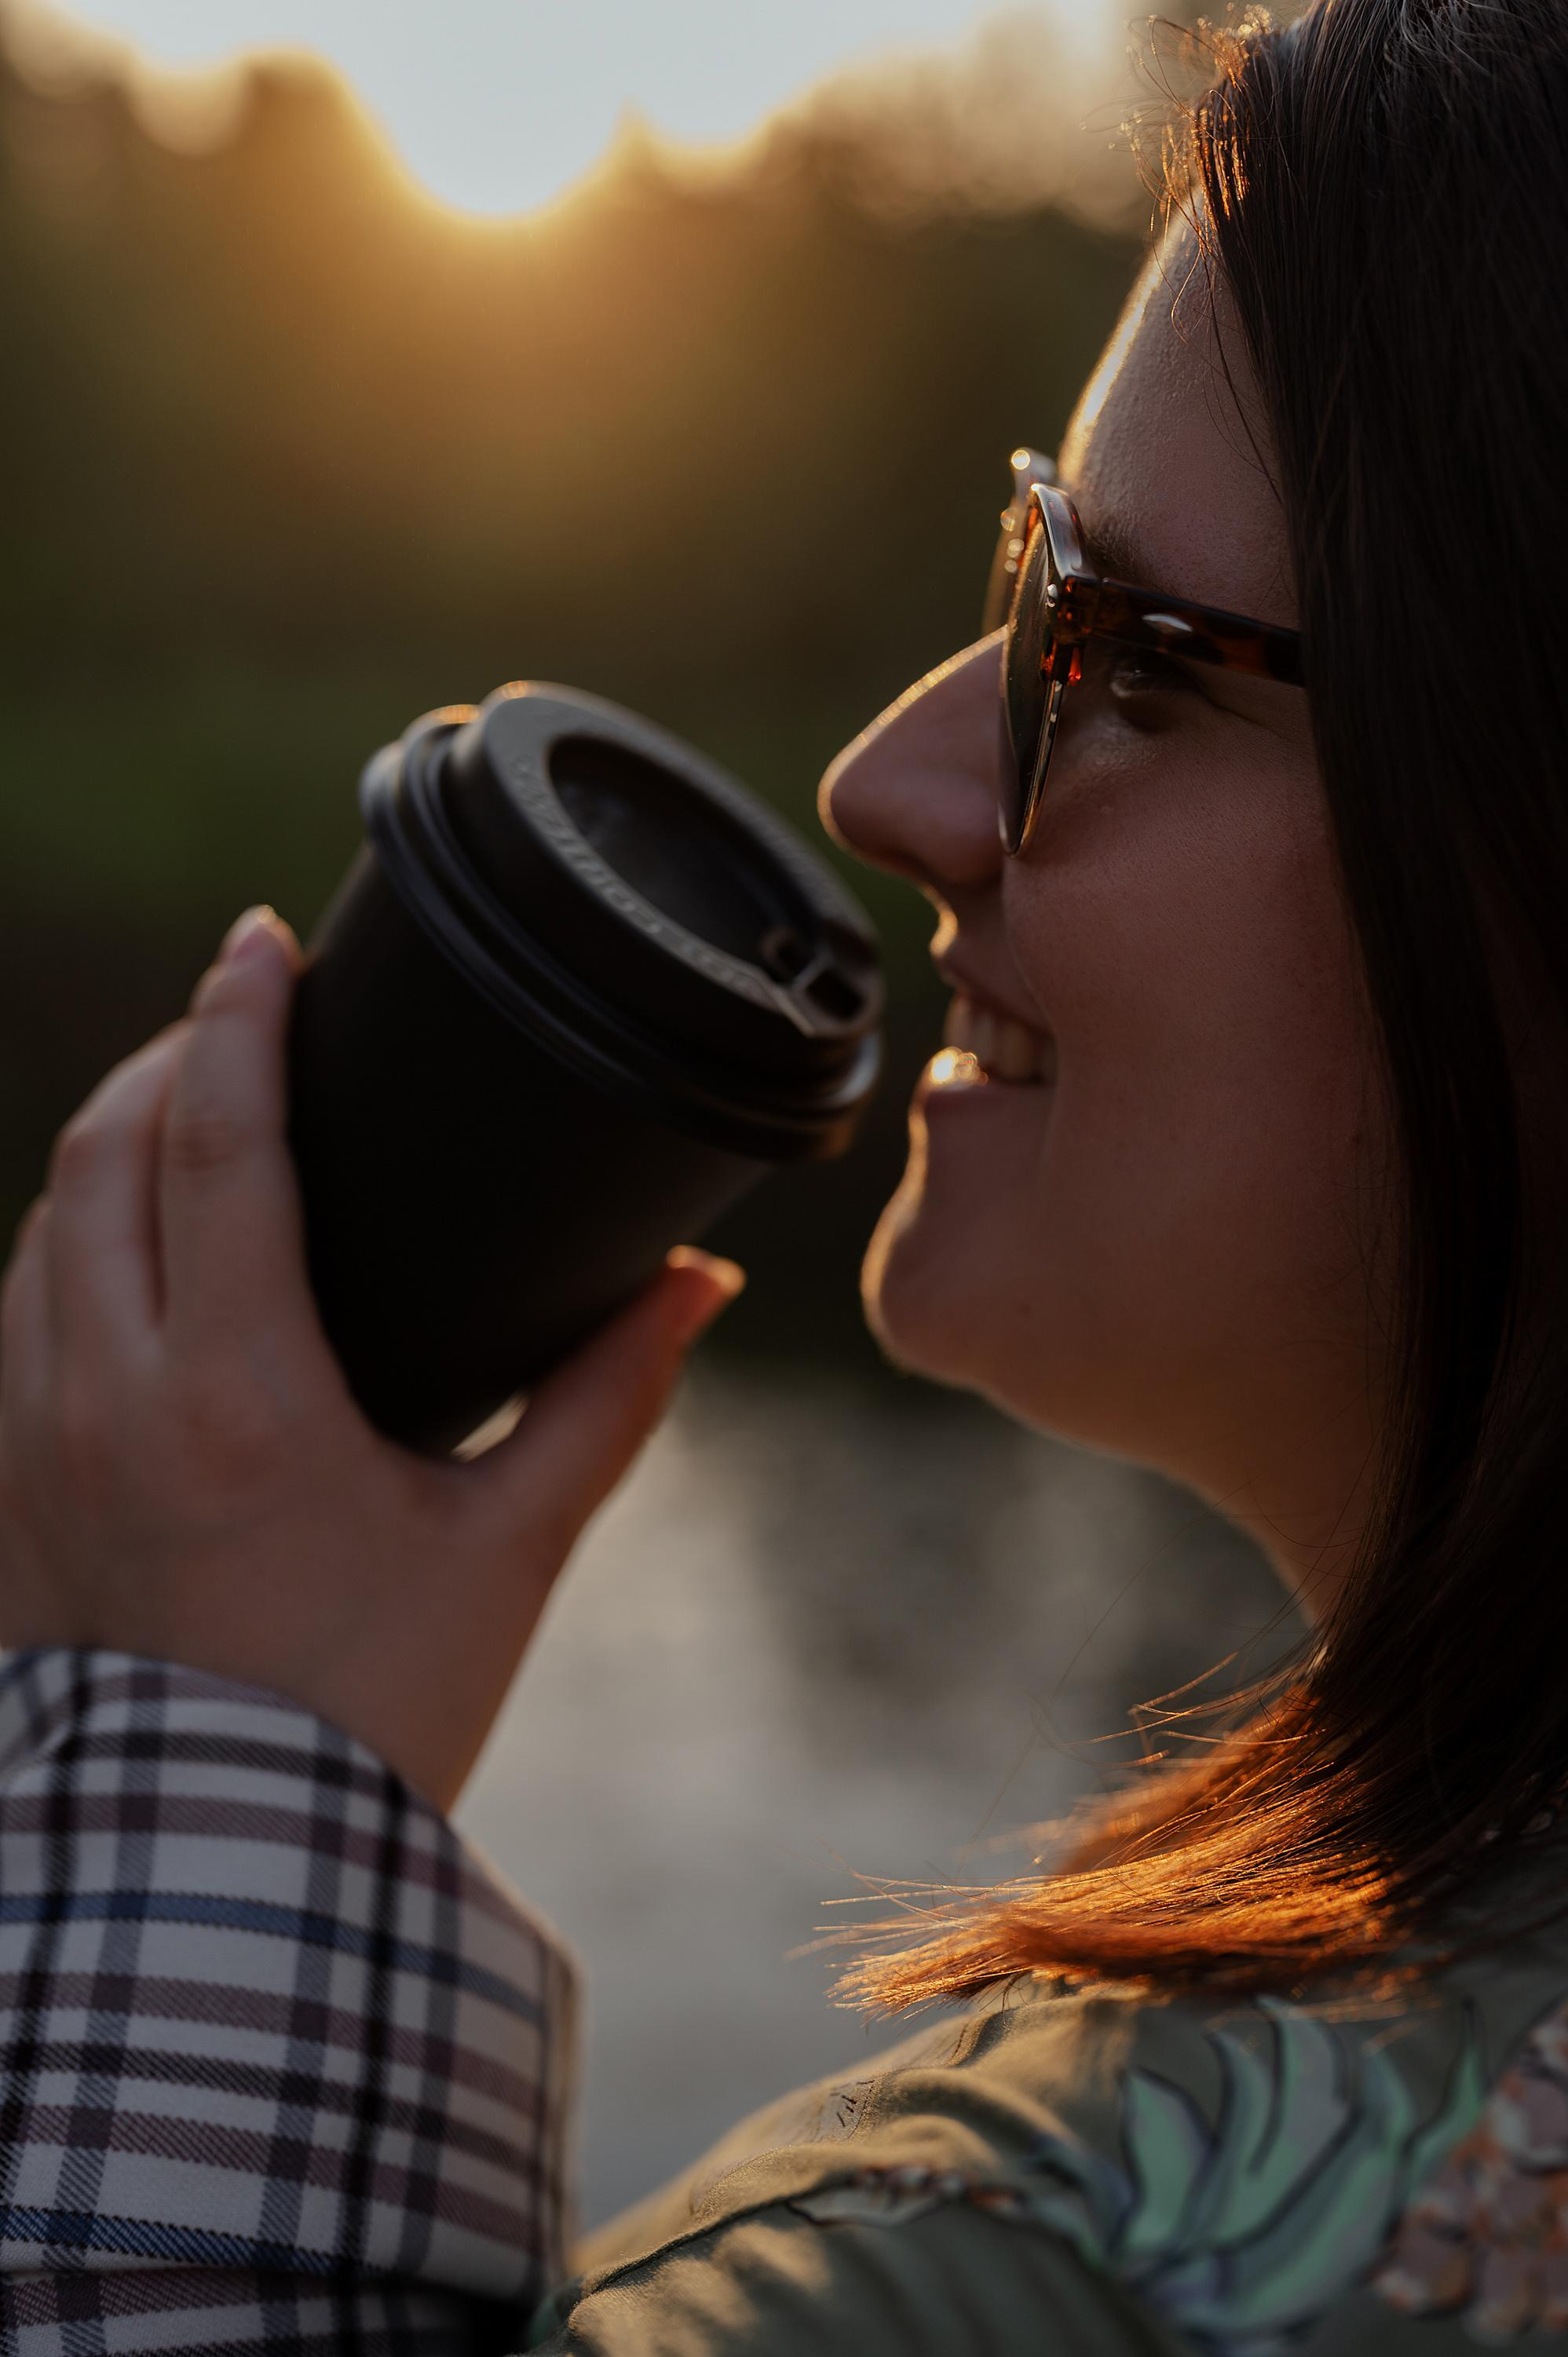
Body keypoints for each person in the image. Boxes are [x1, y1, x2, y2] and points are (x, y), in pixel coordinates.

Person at [1, 0, 1563, 2345]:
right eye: (1023, 574)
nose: (884, 783)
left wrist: (207, 1794)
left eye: (1121, 660)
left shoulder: (989, 2276)